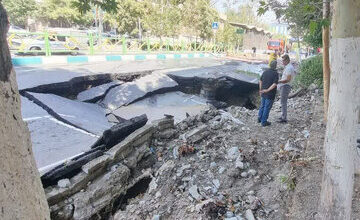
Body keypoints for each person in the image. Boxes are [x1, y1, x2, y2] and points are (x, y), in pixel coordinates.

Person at [258, 60, 279, 127]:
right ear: (275, 66)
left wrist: (261, 90)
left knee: (262, 106)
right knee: (267, 107)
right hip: (270, 94)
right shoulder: (275, 73)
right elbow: (274, 84)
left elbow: (260, 81)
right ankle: (264, 122)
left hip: (263, 92)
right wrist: (267, 90)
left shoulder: (265, 72)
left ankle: (259, 118)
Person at [278, 54, 296, 123]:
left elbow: (288, 79)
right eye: (282, 60)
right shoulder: (288, 67)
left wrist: (279, 81)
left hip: (285, 86)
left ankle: (284, 118)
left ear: (287, 60)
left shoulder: (289, 68)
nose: (282, 62)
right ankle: (283, 115)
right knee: (283, 102)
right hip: (285, 86)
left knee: (283, 102)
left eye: (283, 60)